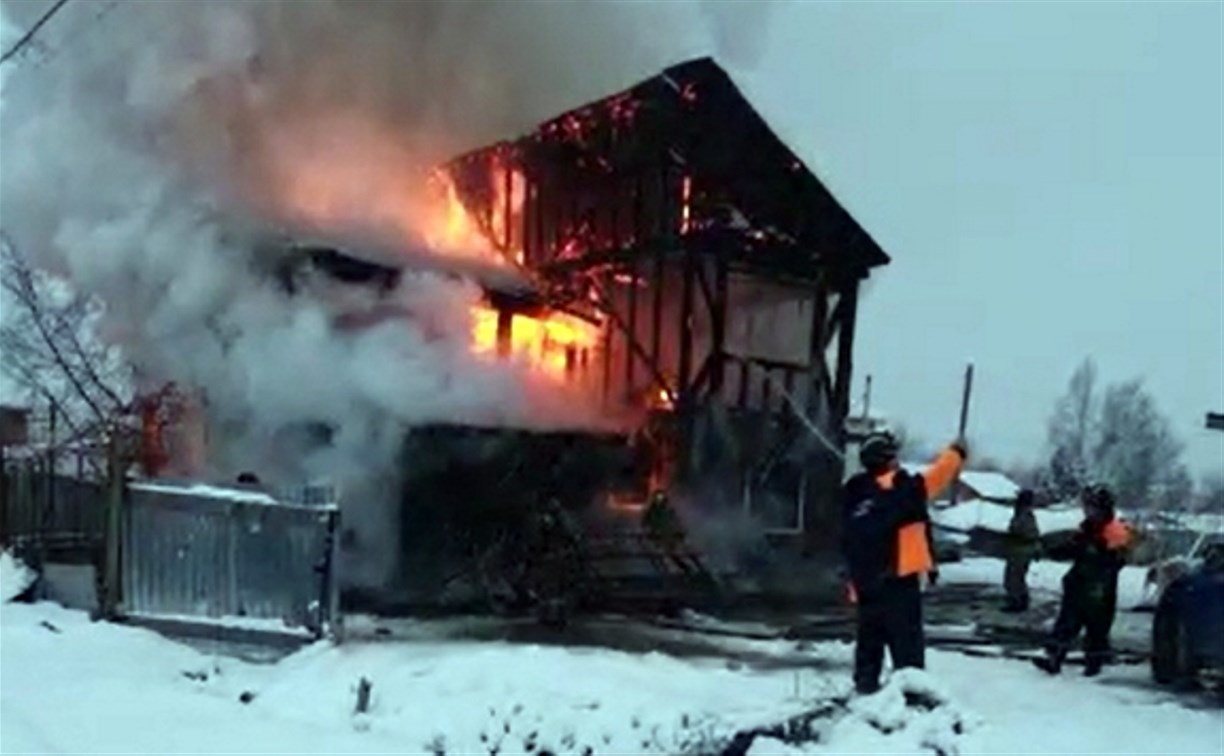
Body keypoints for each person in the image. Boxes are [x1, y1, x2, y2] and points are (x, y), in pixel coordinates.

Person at [841, 431, 968, 694]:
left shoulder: (853, 493)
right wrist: (956, 453)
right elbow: (939, 474)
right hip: (899, 581)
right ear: (888, 460)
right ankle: (910, 697)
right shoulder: (904, 490)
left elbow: (844, 539)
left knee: (868, 643)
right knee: (906, 645)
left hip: (865, 584)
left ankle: (864, 692)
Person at [1033, 484, 1133, 677]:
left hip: (1099, 588)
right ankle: (1054, 658)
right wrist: (1049, 550)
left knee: (1096, 628)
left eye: (1091, 507)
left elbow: (1116, 560)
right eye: (1086, 506)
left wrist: (1098, 562)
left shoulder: (1114, 530)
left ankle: (1093, 665)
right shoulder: (1088, 528)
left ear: (1102, 508)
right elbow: (1073, 549)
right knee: (1066, 623)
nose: (1086, 511)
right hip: (1079, 582)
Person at [1002, 489, 1041, 612]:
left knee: (1013, 578)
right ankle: (1020, 601)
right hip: (1018, 550)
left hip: (1021, 551)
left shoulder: (1025, 515)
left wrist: (1014, 535)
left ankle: (1017, 603)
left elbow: (1029, 533)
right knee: (1016, 577)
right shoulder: (1022, 513)